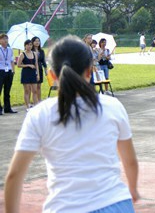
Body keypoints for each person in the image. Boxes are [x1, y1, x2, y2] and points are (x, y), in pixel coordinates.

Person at [4, 35, 139, 212]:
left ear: (52, 75)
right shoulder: (112, 106)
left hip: (65, 207)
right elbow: (130, 162)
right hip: (116, 203)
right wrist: (133, 190)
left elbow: (14, 176)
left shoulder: (40, 113)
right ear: (90, 71)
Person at [17, 39, 39, 111]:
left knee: (35, 91)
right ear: (25, 46)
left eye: (30, 45)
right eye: (28, 45)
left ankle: (36, 106)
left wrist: (38, 74)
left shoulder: (34, 53)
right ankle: (27, 106)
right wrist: (28, 65)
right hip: (26, 74)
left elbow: (36, 64)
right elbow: (18, 65)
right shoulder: (22, 54)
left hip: (33, 74)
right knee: (27, 91)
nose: (29, 46)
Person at [0, 33, 17, 114]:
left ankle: (7, 108)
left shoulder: (10, 49)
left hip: (9, 71)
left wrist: (13, 70)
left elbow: (12, 60)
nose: (5, 40)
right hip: (1, 71)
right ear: (0, 41)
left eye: (6, 39)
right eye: (3, 39)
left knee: (7, 91)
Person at [32, 36, 48, 102]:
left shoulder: (41, 51)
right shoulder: (31, 51)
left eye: (38, 41)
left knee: (39, 86)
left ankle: (39, 100)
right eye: (35, 41)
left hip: (40, 69)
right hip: (32, 70)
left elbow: (43, 61)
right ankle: (35, 101)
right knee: (34, 87)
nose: (37, 42)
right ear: (32, 42)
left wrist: (46, 70)